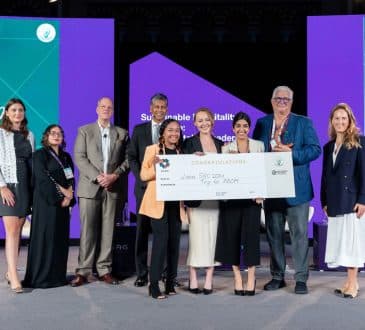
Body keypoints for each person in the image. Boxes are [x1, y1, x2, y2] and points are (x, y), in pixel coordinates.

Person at [253, 86, 321, 294]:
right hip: (272, 188)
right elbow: (256, 151)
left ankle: (301, 279)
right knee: (274, 235)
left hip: (297, 190)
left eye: (286, 99)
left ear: (291, 102)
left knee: (299, 235)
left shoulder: (304, 122)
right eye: (278, 98)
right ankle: (277, 276)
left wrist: (290, 154)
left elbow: (315, 149)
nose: (282, 102)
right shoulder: (262, 123)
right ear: (272, 101)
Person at [71, 97, 129, 287]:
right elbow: (79, 157)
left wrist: (114, 175)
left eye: (109, 107)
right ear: (97, 109)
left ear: (112, 111)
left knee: (108, 231)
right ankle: (83, 271)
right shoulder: (84, 131)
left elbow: (128, 160)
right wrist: (98, 177)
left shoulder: (121, 133)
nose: (106, 110)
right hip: (90, 188)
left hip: (112, 188)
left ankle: (104, 269)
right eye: (102, 106)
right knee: (87, 231)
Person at [215, 112, 264, 296]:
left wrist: (261, 193)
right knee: (232, 237)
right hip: (232, 199)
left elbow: (263, 171)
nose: (241, 129)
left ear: (249, 128)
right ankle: (237, 276)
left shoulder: (259, 146)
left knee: (251, 237)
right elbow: (222, 173)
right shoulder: (226, 148)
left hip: (253, 199)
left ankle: (251, 276)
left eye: (245, 126)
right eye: (238, 126)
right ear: (233, 129)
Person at [139, 118, 187, 299]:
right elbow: (144, 174)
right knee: (161, 243)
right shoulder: (153, 150)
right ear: (163, 133)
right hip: (158, 204)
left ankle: (170, 283)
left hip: (176, 204)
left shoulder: (182, 153)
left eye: (177, 130)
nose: (174, 134)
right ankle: (153, 285)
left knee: (175, 244)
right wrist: (157, 168)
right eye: (170, 130)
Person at [321, 103, 365, 299]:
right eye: (336, 118)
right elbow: (325, 176)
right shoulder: (329, 146)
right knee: (341, 243)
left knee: (352, 244)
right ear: (332, 121)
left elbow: (364, 174)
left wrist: (363, 200)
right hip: (334, 202)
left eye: (343, 119)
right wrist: (324, 201)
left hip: (352, 202)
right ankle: (347, 281)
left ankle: (353, 284)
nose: (340, 122)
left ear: (349, 121)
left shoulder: (359, 142)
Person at [23, 125, 75, 288]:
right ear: (46, 136)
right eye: (53, 133)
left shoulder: (66, 157)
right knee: (46, 238)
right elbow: (43, 179)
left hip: (64, 206)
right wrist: (62, 195)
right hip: (46, 203)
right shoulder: (39, 155)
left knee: (59, 239)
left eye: (59, 133)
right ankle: (42, 278)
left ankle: (58, 276)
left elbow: (71, 177)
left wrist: (70, 195)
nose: (56, 136)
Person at [128, 93, 168, 287]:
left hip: (167, 189)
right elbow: (132, 157)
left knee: (164, 232)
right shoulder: (139, 130)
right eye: (157, 107)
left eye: (163, 107)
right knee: (142, 232)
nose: (160, 110)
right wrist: (142, 177)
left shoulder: (172, 129)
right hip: (144, 189)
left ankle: (164, 271)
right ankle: (142, 273)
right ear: (150, 109)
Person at [183, 107, 223, 295]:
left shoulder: (221, 144)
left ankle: (208, 279)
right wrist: (192, 160)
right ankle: (192, 277)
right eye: (200, 120)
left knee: (212, 240)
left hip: (215, 200)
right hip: (196, 201)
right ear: (194, 124)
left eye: (207, 119)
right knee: (196, 239)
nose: (204, 123)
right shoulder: (189, 143)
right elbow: (182, 172)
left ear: (212, 121)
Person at [0, 98, 35, 293]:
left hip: (25, 187)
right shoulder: (0, 133)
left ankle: (10, 271)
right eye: (13, 110)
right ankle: (14, 276)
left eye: (20, 110)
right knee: (11, 231)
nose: (17, 113)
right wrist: (2, 187)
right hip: (7, 187)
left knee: (19, 230)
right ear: (7, 113)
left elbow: (31, 161)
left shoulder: (29, 135)